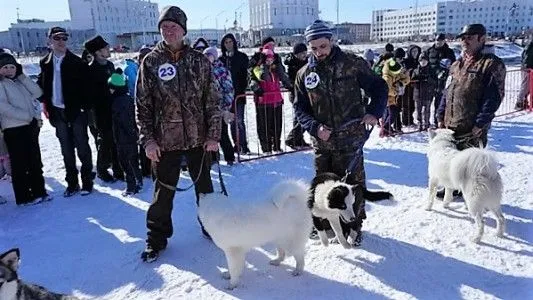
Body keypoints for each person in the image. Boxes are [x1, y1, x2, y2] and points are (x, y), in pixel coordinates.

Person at [136, 6, 221, 262]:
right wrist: (148, 140)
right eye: (164, 27)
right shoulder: (150, 61)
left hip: (199, 139)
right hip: (165, 142)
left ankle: (211, 227)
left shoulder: (199, 60)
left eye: (173, 27)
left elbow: (212, 101)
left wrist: (214, 135)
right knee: (162, 194)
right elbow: (142, 105)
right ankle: (156, 240)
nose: (168, 31)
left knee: (205, 190)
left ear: (183, 30)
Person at [294, 20, 388, 246]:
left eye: (323, 46)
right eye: (314, 48)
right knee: (324, 188)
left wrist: (374, 112)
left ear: (332, 41)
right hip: (322, 143)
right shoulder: (304, 74)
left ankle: (354, 228)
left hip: (351, 139)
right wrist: (315, 127)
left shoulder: (352, 64)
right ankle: (325, 226)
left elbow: (379, 87)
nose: (319, 52)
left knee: (352, 186)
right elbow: (300, 108)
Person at [436, 24, 506, 198]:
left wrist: (481, 122)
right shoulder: (456, 65)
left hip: (472, 126)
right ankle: (451, 187)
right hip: (451, 123)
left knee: (471, 165)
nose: (464, 41)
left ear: (482, 39)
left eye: (470, 37)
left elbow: (494, 97)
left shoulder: (491, 64)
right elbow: (447, 91)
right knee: (452, 160)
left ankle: (475, 197)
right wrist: (440, 114)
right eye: (462, 38)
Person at [37, 27, 94, 197]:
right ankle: (72, 183)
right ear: (50, 41)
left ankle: (87, 182)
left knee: (82, 147)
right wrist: (44, 102)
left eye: (64, 38)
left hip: (76, 112)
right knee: (66, 149)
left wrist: (84, 108)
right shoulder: (45, 62)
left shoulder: (77, 63)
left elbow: (87, 89)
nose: (61, 41)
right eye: (57, 38)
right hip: (57, 112)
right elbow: (42, 84)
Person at [0, 52, 50, 205]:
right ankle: (23, 196)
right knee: (20, 164)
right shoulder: (1, 84)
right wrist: (27, 117)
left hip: (29, 127)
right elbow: (3, 107)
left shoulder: (20, 81)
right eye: (5, 67)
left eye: (12, 66)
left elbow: (37, 93)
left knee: (34, 160)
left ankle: (39, 191)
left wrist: (22, 77)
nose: (9, 70)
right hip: (13, 128)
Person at [85, 35, 124, 183]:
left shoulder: (109, 65)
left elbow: (117, 86)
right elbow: (94, 94)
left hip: (114, 109)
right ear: (97, 52)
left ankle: (118, 168)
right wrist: (111, 87)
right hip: (100, 112)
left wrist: (118, 80)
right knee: (106, 141)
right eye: (105, 48)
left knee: (116, 140)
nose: (109, 50)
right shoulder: (90, 70)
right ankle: (102, 169)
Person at [108, 69, 143, 196]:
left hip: (123, 138)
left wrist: (125, 135)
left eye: (110, 88)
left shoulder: (117, 103)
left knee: (126, 162)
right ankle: (139, 181)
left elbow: (123, 122)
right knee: (133, 160)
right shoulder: (127, 98)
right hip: (131, 136)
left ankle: (131, 187)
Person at [203, 46, 235, 165]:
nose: (207, 57)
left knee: (222, 133)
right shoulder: (202, 70)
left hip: (220, 107)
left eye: (209, 55)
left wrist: (226, 106)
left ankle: (229, 157)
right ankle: (213, 158)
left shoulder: (222, 70)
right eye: (205, 55)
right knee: (209, 134)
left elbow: (228, 89)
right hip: (206, 108)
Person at [219, 33, 250, 154]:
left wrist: (242, 88)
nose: (228, 44)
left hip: (238, 95)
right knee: (231, 121)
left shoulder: (241, 57)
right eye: (226, 42)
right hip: (227, 97)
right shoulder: (221, 60)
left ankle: (244, 145)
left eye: (230, 42)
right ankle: (236, 145)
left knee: (240, 121)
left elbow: (245, 75)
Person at [250, 47, 284, 153]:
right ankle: (266, 147)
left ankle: (277, 145)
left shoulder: (276, 70)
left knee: (277, 125)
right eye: (267, 60)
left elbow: (283, 77)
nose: (269, 62)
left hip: (276, 100)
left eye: (271, 60)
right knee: (264, 126)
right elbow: (260, 77)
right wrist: (263, 66)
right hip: (264, 102)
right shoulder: (258, 69)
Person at [426, 33, 456, 127]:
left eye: (441, 41)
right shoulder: (429, 51)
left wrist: (448, 70)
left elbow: (454, 65)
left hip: (443, 81)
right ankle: (426, 122)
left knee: (439, 103)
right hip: (430, 81)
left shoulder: (449, 52)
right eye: (437, 40)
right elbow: (424, 63)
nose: (439, 42)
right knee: (427, 103)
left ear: (444, 41)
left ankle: (437, 121)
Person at [284, 43, 310, 149]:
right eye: (301, 53)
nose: (304, 55)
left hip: (307, 93)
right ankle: (292, 138)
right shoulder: (292, 64)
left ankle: (298, 139)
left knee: (299, 117)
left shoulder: (307, 61)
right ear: (296, 54)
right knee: (304, 116)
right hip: (296, 93)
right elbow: (289, 80)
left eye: (305, 52)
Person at [381, 58, 410, 137]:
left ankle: (387, 128)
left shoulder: (396, 73)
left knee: (392, 113)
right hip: (388, 99)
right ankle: (386, 127)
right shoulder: (387, 78)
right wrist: (395, 91)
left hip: (394, 99)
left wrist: (402, 81)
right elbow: (386, 90)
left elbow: (405, 79)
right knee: (393, 112)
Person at [411, 53, 436, 131]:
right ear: (419, 61)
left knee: (427, 110)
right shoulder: (415, 70)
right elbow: (412, 81)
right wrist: (418, 80)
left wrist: (427, 79)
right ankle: (419, 123)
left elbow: (435, 81)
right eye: (421, 60)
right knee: (418, 110)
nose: (423, 62)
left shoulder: (431, 70)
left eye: (425, 60)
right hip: (417, 93)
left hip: (428, 93)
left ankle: (427, 123)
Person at [515, 39, 533, 110]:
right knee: (525, 87)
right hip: (527, 69)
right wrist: (527, 67)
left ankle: (526, 103)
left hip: (529, 68)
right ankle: (519, 103)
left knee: (530, 87)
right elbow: (527, 58)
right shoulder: (530, 46)